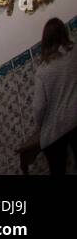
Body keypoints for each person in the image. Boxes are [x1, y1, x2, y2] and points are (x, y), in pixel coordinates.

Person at [32, 18, 77, 175]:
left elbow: (39, 107)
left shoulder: (43, 71)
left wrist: (39, 126)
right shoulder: (74, 54)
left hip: (54, 130)